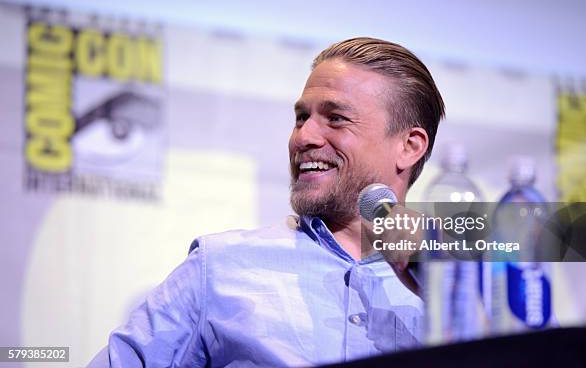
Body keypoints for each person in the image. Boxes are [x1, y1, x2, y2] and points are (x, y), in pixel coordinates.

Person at [89, 37, 445, 367]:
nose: (303, 137)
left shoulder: (457, 286)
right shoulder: (219, 267)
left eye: (336, 118)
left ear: (409, 146)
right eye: (302, 117)